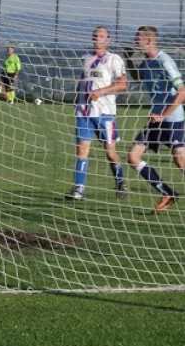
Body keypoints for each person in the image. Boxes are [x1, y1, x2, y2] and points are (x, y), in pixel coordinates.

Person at [123, 26, 185, 212]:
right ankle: (167, 193)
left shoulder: (164, 61)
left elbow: (182, 92)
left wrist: (163, 115)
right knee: (133, 157)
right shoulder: (147, 62)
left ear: (149, 41)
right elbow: (138, 77)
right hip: (156, 119)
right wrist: (128, 59)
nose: (135, 42)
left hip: (172, 119)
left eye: (138, 39)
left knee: (180, 160)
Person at [66, 26, 128, 201]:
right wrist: (77, 98)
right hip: (84, 112)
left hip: (105, 113)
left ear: (108, 40)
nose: (98, 38)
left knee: (110, 151)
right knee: (82, 150)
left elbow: (123, 84)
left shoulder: (113, 59)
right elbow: (83, 81)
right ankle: (79, 190)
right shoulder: (86, 58)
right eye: (95, 35)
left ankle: (120, 180)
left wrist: (101, 92)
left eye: (101, 36)